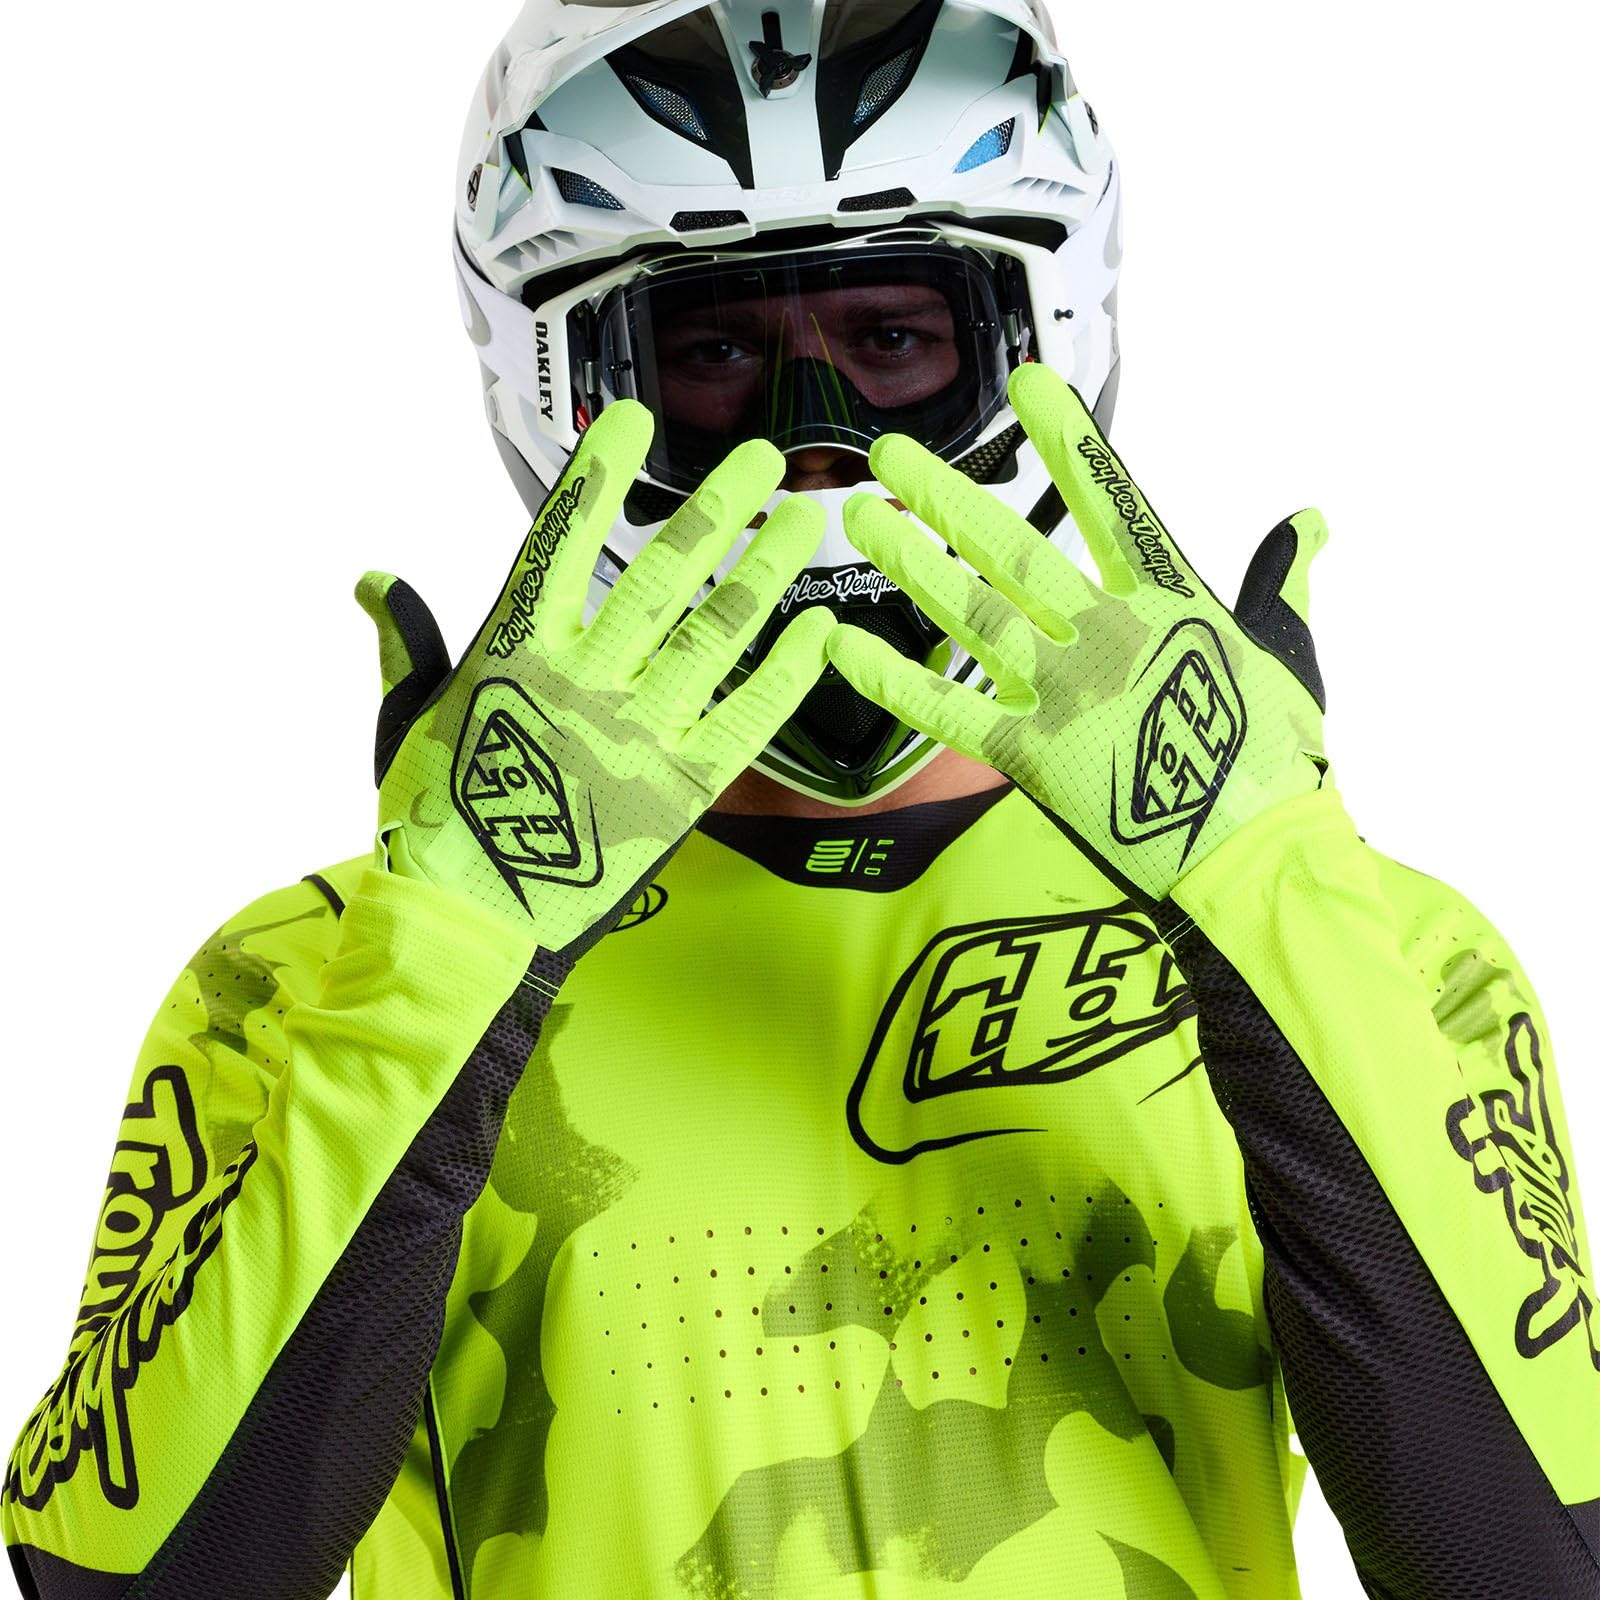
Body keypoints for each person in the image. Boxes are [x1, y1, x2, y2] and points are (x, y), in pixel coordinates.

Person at [4, 2, 1597, 1597]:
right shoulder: (318, 980)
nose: (817, 443)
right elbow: (129, 1581)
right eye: (713, 356)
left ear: (1040, 340)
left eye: (894, 341)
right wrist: (451, 954)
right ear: (562, 386)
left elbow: (1539, 1562)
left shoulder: (1377, 951)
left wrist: (1255, 887)